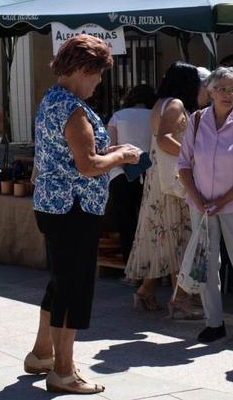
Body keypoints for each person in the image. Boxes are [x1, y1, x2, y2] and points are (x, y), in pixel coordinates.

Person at [25, 34, 140, 395]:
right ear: (81, 69)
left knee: (60, 282)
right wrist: (121, 158)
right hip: (74, 208)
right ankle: (62, 371)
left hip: (54, 205)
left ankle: (42, 353)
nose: (100, 81)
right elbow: (88, 164)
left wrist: (113, 149)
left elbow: (74, 152)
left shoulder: (52, 99)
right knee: (72, 289)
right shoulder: (73, 108)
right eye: (98, 74)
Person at [178, 66, 233, 344]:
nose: (228, 94)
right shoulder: (195, 121)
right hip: (201, 205)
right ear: (210, 92)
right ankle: (213, 321)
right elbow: (183, 164)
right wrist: (197, 197)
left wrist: (221, 200)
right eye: (222, 89)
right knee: (207, 262)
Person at [125, 62, 203, 318]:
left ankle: (147, 291)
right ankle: (180, 301)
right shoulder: (176, 105)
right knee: (180, 239)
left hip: (158, 180)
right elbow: (164, 139)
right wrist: (193, 156)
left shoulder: (160, 103)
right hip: (173, 181)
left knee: (164, 238)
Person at [108, 84, 156, 262]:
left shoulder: (118, 116)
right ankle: (153, 267)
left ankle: (131, 268)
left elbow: (110, 147)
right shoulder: (155, 116)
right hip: (149, 173)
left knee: (126, 222)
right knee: (150, 222)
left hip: (121, 173)